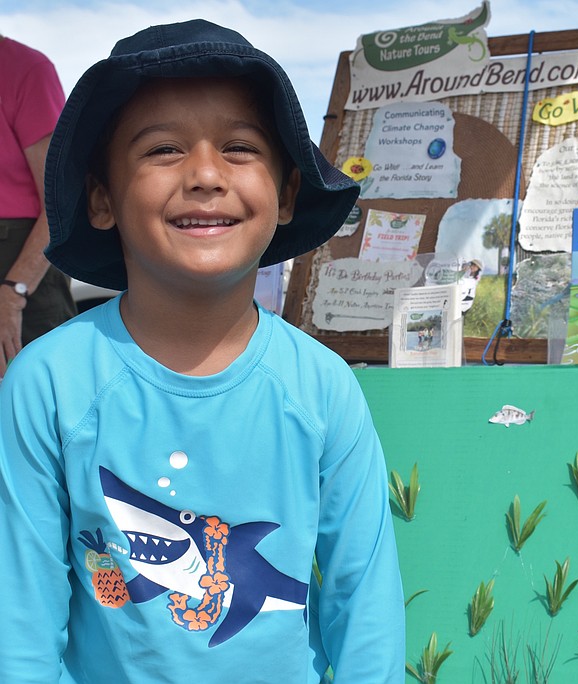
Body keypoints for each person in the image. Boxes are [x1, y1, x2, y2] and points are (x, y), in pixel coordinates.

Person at [0, 20, 404, 683]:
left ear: (287, 194)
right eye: (163, 149)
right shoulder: (45, 385)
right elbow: (20, 623)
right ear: (101, 197)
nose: (206, 175)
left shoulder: (323, 387)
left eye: (240, 148)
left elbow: (365, 608)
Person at [0, 34, 76, 377]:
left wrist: (14, 292)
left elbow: (60, 199)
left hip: (22, 266)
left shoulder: (26, 69)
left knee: (38, 392)